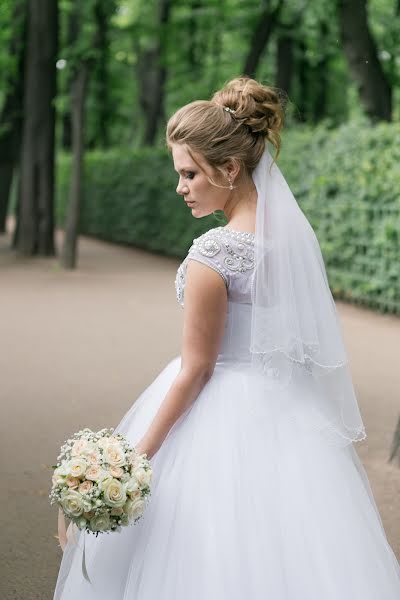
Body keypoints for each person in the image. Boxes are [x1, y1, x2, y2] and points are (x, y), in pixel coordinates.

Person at [53, 77, 400, 599]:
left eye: (190, 173)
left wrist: (132, 459)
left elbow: (198, 368)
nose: (181, 186)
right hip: (286, 408)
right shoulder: (289, 240)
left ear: (230, 168)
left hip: (216, 413)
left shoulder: (213, 255)